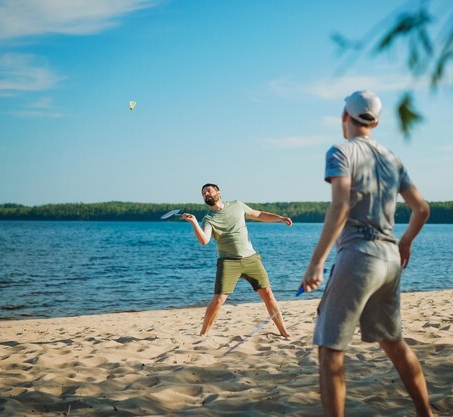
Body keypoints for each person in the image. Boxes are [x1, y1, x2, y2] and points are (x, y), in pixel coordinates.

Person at [301, 91, 434, 417]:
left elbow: (341, 205)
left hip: (360, 256)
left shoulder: (341, 152)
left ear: (345, 117)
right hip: (390, 259)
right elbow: (422, 209)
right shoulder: (392, 158)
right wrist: (405, 242)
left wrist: (317, 261)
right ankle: (426, 413)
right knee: (394, 343)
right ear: (375, 122)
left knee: (330, 348)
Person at [182, 183, 292, 338]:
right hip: (228, 262)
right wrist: (194, 222)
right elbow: (204, 240)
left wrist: (279, 218)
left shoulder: (237, 205)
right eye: (203, 193)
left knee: (268, 294)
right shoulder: (208, 218)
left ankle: (283, 331)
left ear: (218, 192)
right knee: (219, 299)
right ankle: (203, 333)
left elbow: (259, 214)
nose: (206, 194)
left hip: (251, 259)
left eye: (209, 191)